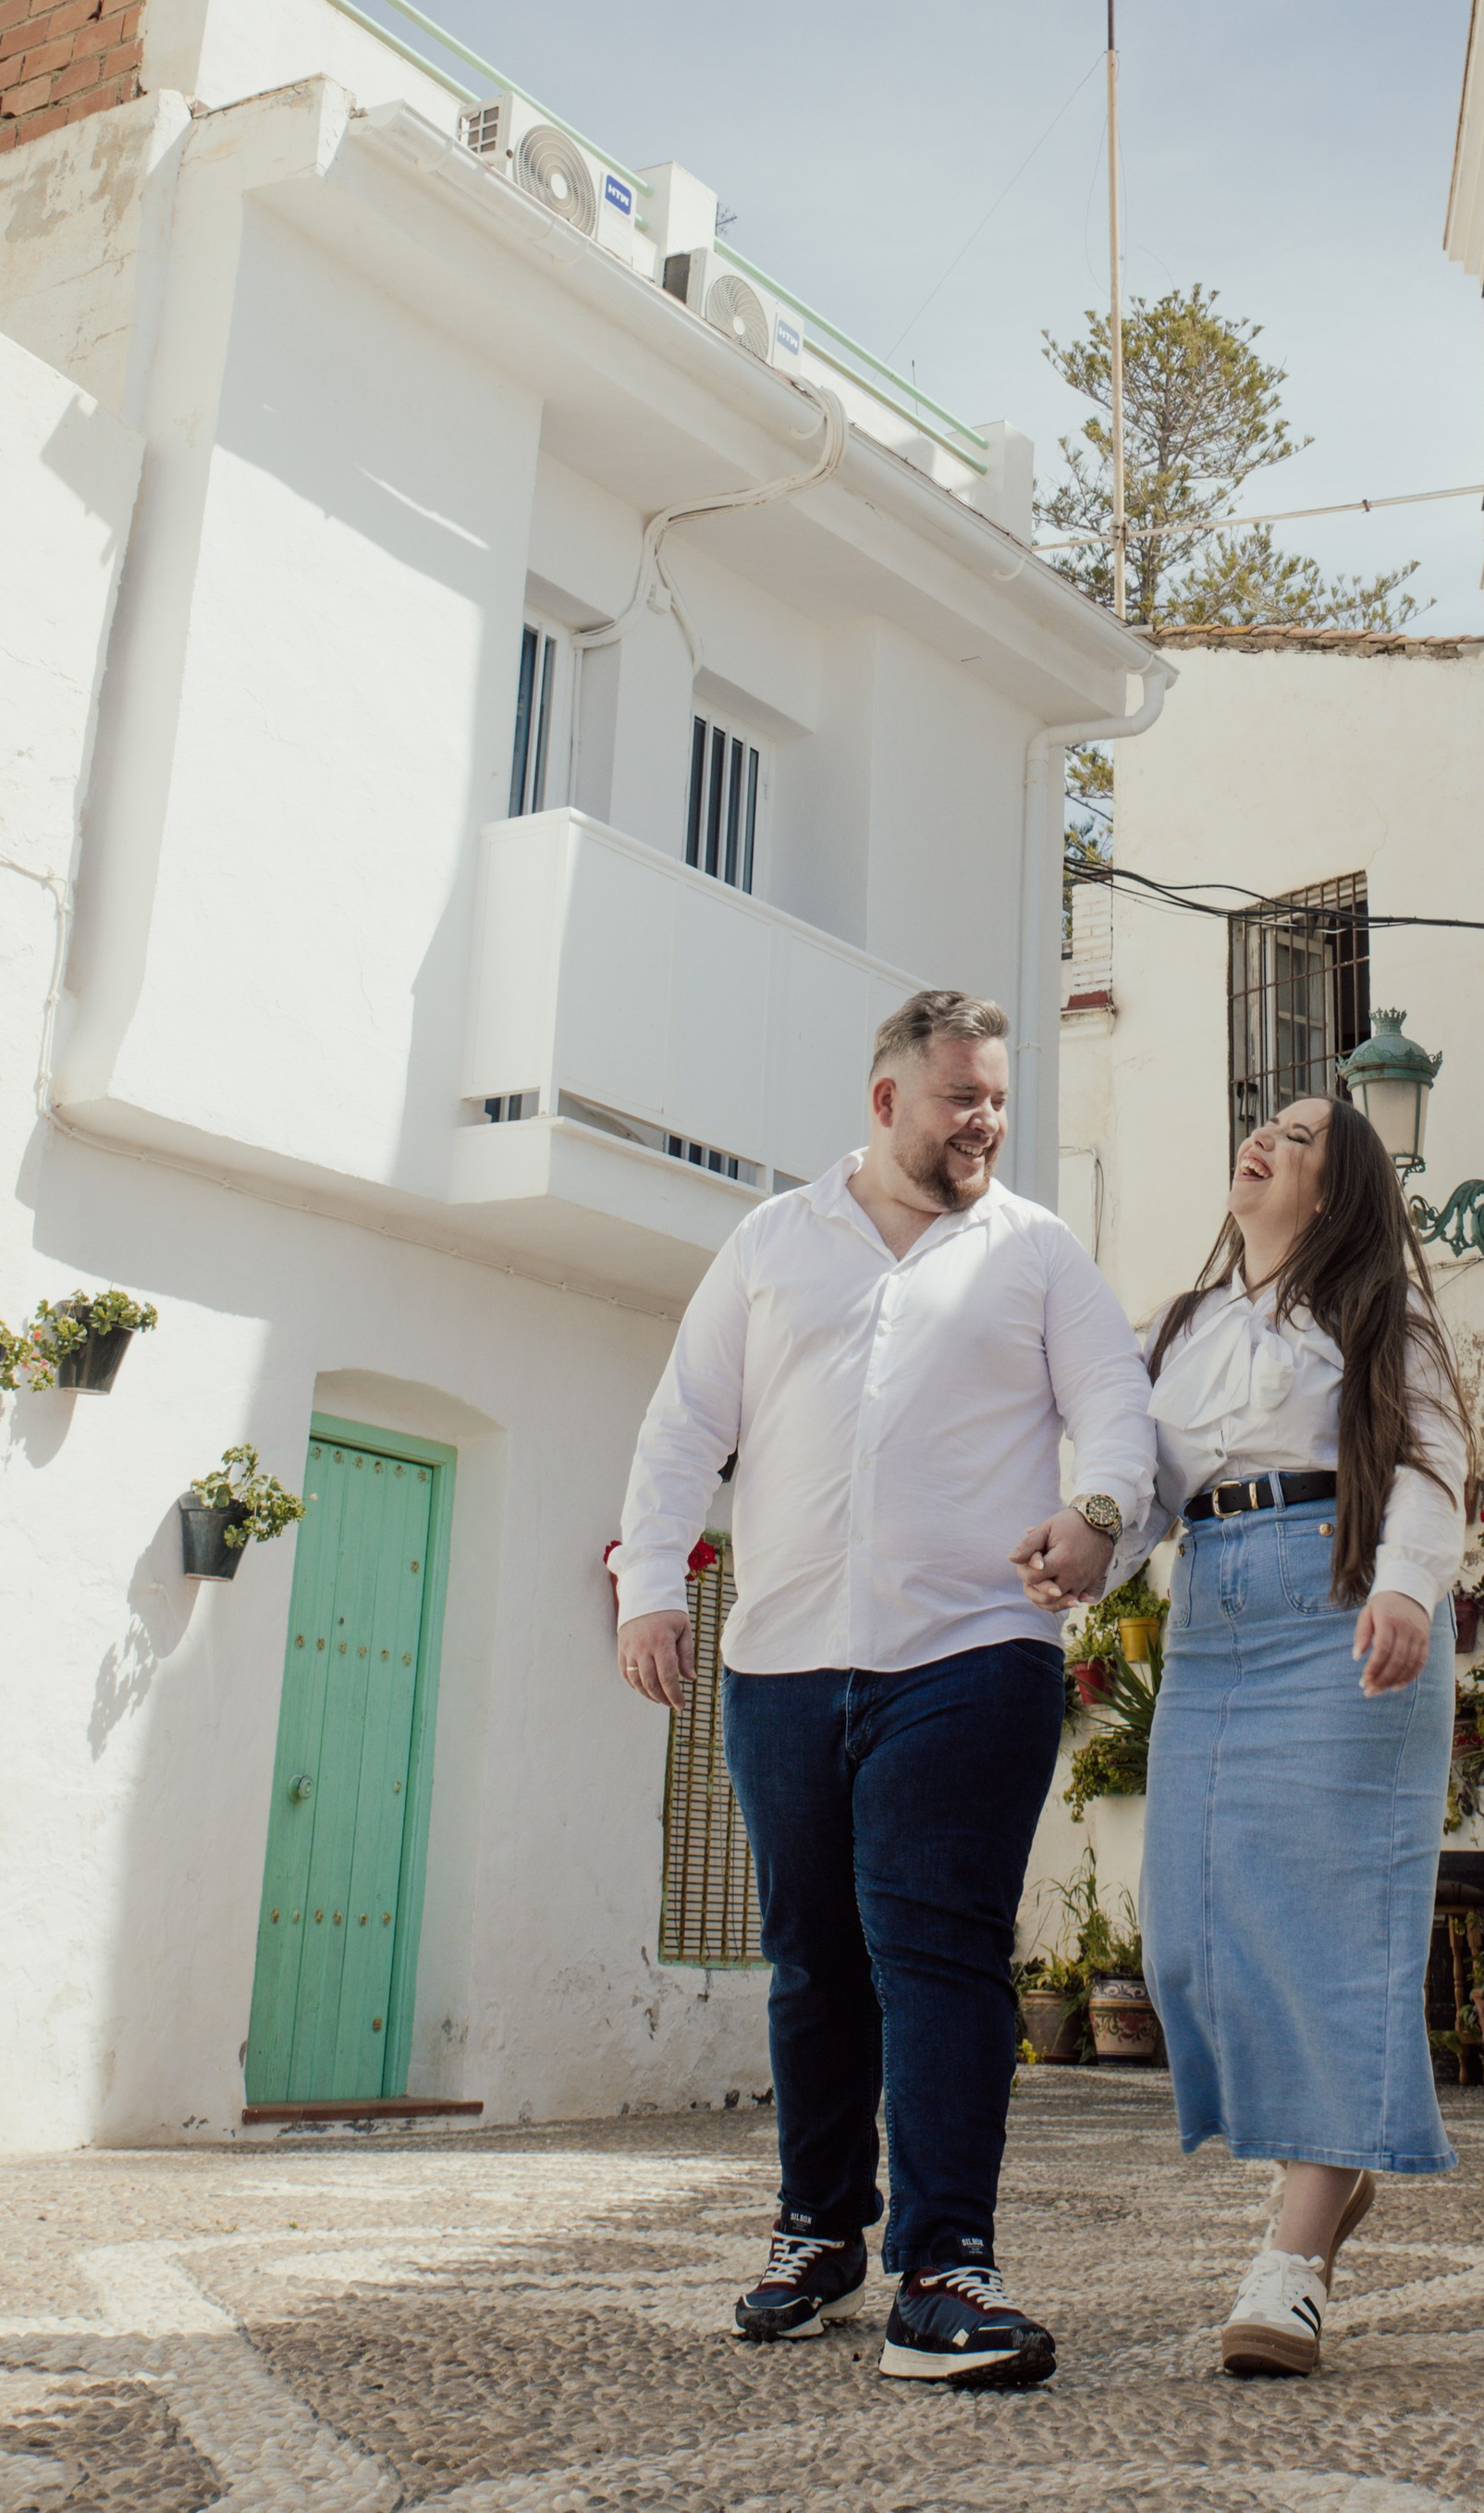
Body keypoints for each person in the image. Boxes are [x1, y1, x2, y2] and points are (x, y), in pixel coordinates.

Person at [615, 987, 1153, 2396]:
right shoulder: (772, 1244)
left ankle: (946, 2265)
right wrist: (653, 1591)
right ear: (884, 1102)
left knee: (939, 1946)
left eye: (995, 1101)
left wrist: (1096, 1514)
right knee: (813, 1958)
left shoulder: (1036, 1253)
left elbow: (1113, 1404)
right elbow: (685, 1426)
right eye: (958, 1097)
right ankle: (818, 2231)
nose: (981, 1122)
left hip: (973, 1649)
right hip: (783, 1660)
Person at [1130, 1090, 1468, 2376]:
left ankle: (1298, 2250)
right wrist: (1083, 1550)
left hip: (1343, 1619)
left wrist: (1404, 1588)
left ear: (1337, 1190)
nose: (1265, 1138)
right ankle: (1325, 2166)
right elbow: (1146, 1497)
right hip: (1213, 1627)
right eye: (1263, 1122)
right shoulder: (1178, 1328)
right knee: (1190, 1940)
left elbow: (1433, 1465)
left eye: (1305, 1136)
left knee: (1332, 1940)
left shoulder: (1384, 1314)